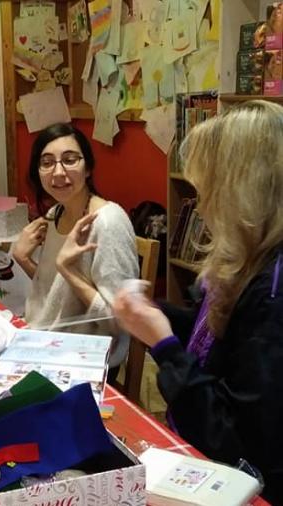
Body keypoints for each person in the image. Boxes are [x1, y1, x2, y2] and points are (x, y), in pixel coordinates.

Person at [113, 100, 283, 504]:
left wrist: (165, 347)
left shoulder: (273, 293)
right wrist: (156, 314)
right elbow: (223, 340)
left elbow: (231, 440)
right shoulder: (249, 260)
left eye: (207, 192)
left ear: (244, 196)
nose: (201, 208)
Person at [13, 123, 138, 376]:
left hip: (87, 358)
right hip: (46, 341)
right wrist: (23, 259)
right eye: (47, 163)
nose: (58, 172)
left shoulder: (107, 222)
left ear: (88, 167)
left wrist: (67, 269)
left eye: (70, 160)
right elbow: (58, 295)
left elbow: (121, 321)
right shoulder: (55, 213)